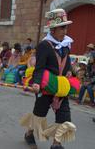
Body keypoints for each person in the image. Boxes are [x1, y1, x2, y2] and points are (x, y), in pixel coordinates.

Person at [20, 8, 76, 149]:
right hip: (46, 85)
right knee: (39, 114)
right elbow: (39, 67)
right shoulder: (44, 45)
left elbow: (66, 61)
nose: (65, 31)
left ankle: (56, 143)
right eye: (62, 28)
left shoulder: (66, 44)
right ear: (53, 29)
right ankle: (29, 134)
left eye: (66, 27)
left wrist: (69, 70)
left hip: (61, 86)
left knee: (64, 116)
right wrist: (37, 83)